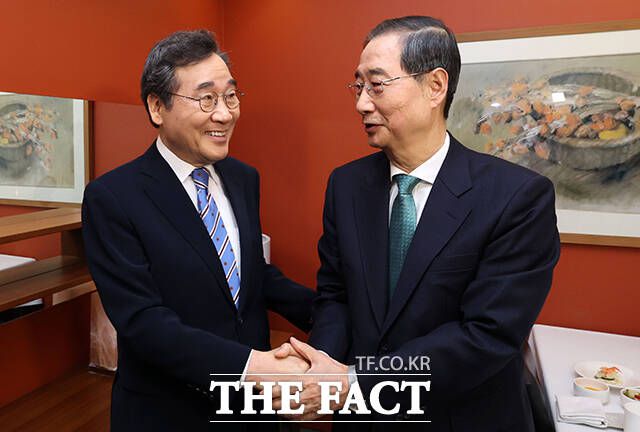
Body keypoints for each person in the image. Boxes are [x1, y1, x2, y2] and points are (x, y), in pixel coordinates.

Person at [278, 16, 560, 431]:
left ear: (435, 86)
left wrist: (354, 382)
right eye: (358, 86)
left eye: (377, 85)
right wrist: (321, 368)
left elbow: (486, 335)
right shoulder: (347, 186)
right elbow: (336, 297)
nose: (361, 103)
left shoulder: (517, 197)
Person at [82, 30, 315, 431]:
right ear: (157, 106)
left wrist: (332, 315)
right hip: (169, 412)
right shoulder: (113, 197)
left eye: (231, 96)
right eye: (206, 99)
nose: (224, 114)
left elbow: (248, 274)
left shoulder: (243, 178)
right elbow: (143, 322)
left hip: (252, 410)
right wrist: (252, 366)